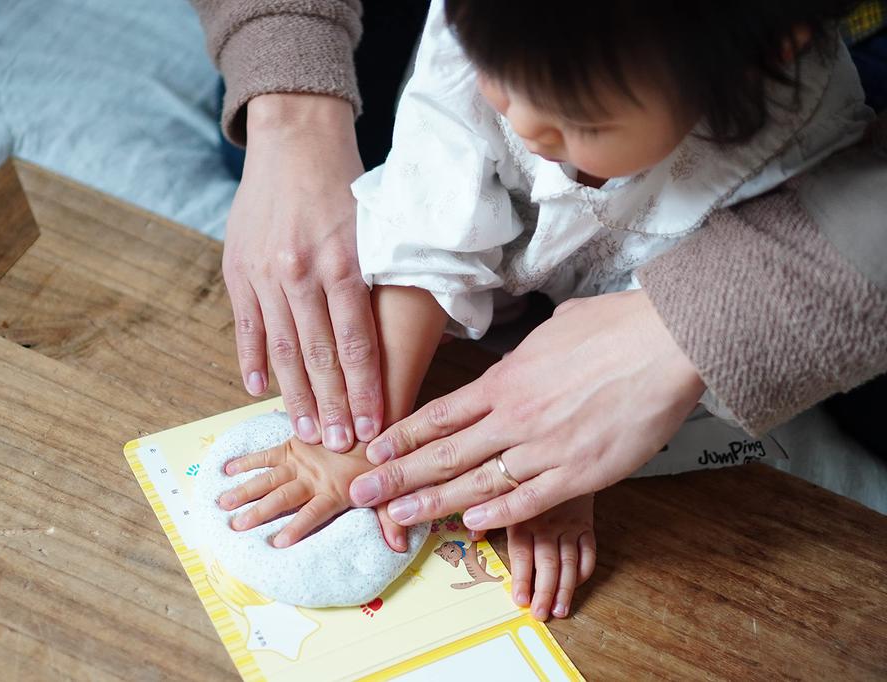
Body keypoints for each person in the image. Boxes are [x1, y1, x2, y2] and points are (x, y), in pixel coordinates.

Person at [204, 0, 880, 622]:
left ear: (763, 57)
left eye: (582, 120)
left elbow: (680, 352)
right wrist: (361, 430)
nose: (525, 127)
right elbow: (432, 207)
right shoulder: (497, 22)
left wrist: (561, 468)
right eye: (498, 81)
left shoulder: (799, 145)